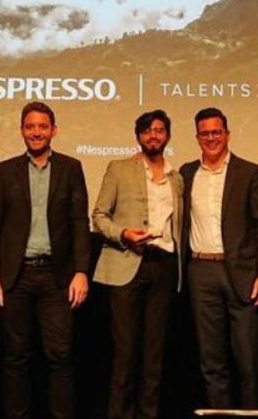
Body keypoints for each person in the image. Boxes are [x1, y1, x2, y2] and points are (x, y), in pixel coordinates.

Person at [0, 101, 91, 419]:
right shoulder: (6, 170)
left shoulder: (71, 167)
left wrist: (81, 271)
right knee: (16, 358)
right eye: (30, 126)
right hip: (15, 277)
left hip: (57, 278)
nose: (36, 132)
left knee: (60, 357)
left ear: (54, 130)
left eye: (43, 126)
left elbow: (79, 222)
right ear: (22, 130)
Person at [179, 107, 258, 408]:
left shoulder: (249, 172)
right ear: (197, 138)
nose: (211, 138)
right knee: (212, 362)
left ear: (227, 134)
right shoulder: (186, 173)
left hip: (244, 274)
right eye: (205, 133)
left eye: (216, 132)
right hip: (200, 271)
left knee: (249, 361)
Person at [93, 109, 184, 419]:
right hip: (127, 264)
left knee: (154, 354)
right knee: (125, 352)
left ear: (167, 135)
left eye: (159, 130)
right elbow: (99, 216)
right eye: (147, 131)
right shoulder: (119, 169)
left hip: (164, 266)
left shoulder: (177, 178)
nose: (153, 136)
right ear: (138, 136)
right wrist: (123, 234)